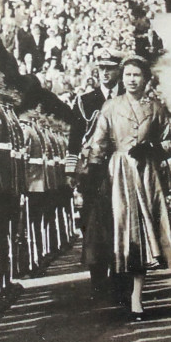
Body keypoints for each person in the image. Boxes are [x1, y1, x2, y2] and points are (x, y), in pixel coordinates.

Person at [87, 55, 171, 320]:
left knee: (143, 234)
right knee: (120, 231)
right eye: (127, 75)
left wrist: (152, 148)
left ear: (146, 79)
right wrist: (95, 173)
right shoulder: (111, 107)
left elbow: (168, 144)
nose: (131, 79)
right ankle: (120, 294)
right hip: (117, 174)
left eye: (137, 75)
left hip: (146, 174)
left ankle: (137, 298)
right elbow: (99, 142)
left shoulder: (156, 108)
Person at [66, 48, 122, 295]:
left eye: (110, 68)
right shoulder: (84, 101)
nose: (105, 73)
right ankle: (98, 276)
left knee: (119, 218)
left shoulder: (128, 97)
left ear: (118, 70)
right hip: (93, 172)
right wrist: (71, 171)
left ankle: (121, 273)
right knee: (92, 221)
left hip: (120, 167)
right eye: (102, 68)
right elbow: (74, 139)